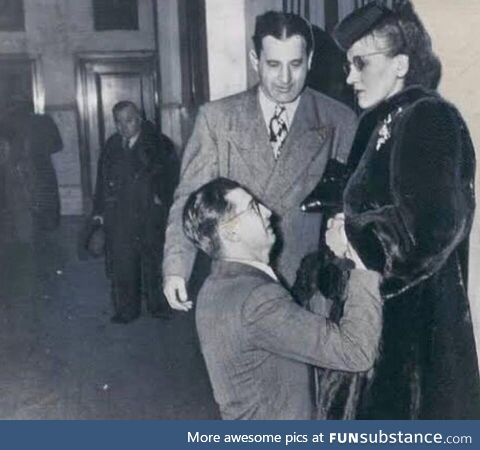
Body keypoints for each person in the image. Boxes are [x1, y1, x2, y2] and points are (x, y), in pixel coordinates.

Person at [328, 1, 480, 419]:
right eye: (348, 65)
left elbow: (431, 227)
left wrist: (352, 236)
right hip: (383, 319)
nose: (350, 76)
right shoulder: (379, 121)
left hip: (413, 336)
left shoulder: (428, 116)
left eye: (360, 63)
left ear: (400, 64)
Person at [163, 11, 357, 311]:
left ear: (309, 60)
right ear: (256, 61)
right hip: (237, 287)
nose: (284, 79)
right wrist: (176, 267)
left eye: (295, 64)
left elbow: (351, 207)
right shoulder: (217, 119)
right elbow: (189, 198)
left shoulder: (339, 120)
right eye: (273, 65)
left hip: (307, 290)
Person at [182, 177, 382, 419]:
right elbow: (356, 352)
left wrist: (341, 255)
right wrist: (359, 261)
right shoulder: (257, 298)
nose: (268, 212)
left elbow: (284, 331)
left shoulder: (216, 286)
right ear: (231, 233)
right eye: (254, 208)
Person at [92, 101, 177, 324]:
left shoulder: (159, 144)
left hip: (150, 214)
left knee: (154, 261)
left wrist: (164, 201)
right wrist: (99, 212)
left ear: (139, 118)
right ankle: (126, 309)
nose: (123, 127)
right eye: (118, 122)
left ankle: (158, 306)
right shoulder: (111, 145)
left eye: (128, 120)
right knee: (122, 263)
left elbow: (173, 178)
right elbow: (101, 180)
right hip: (119, 215)